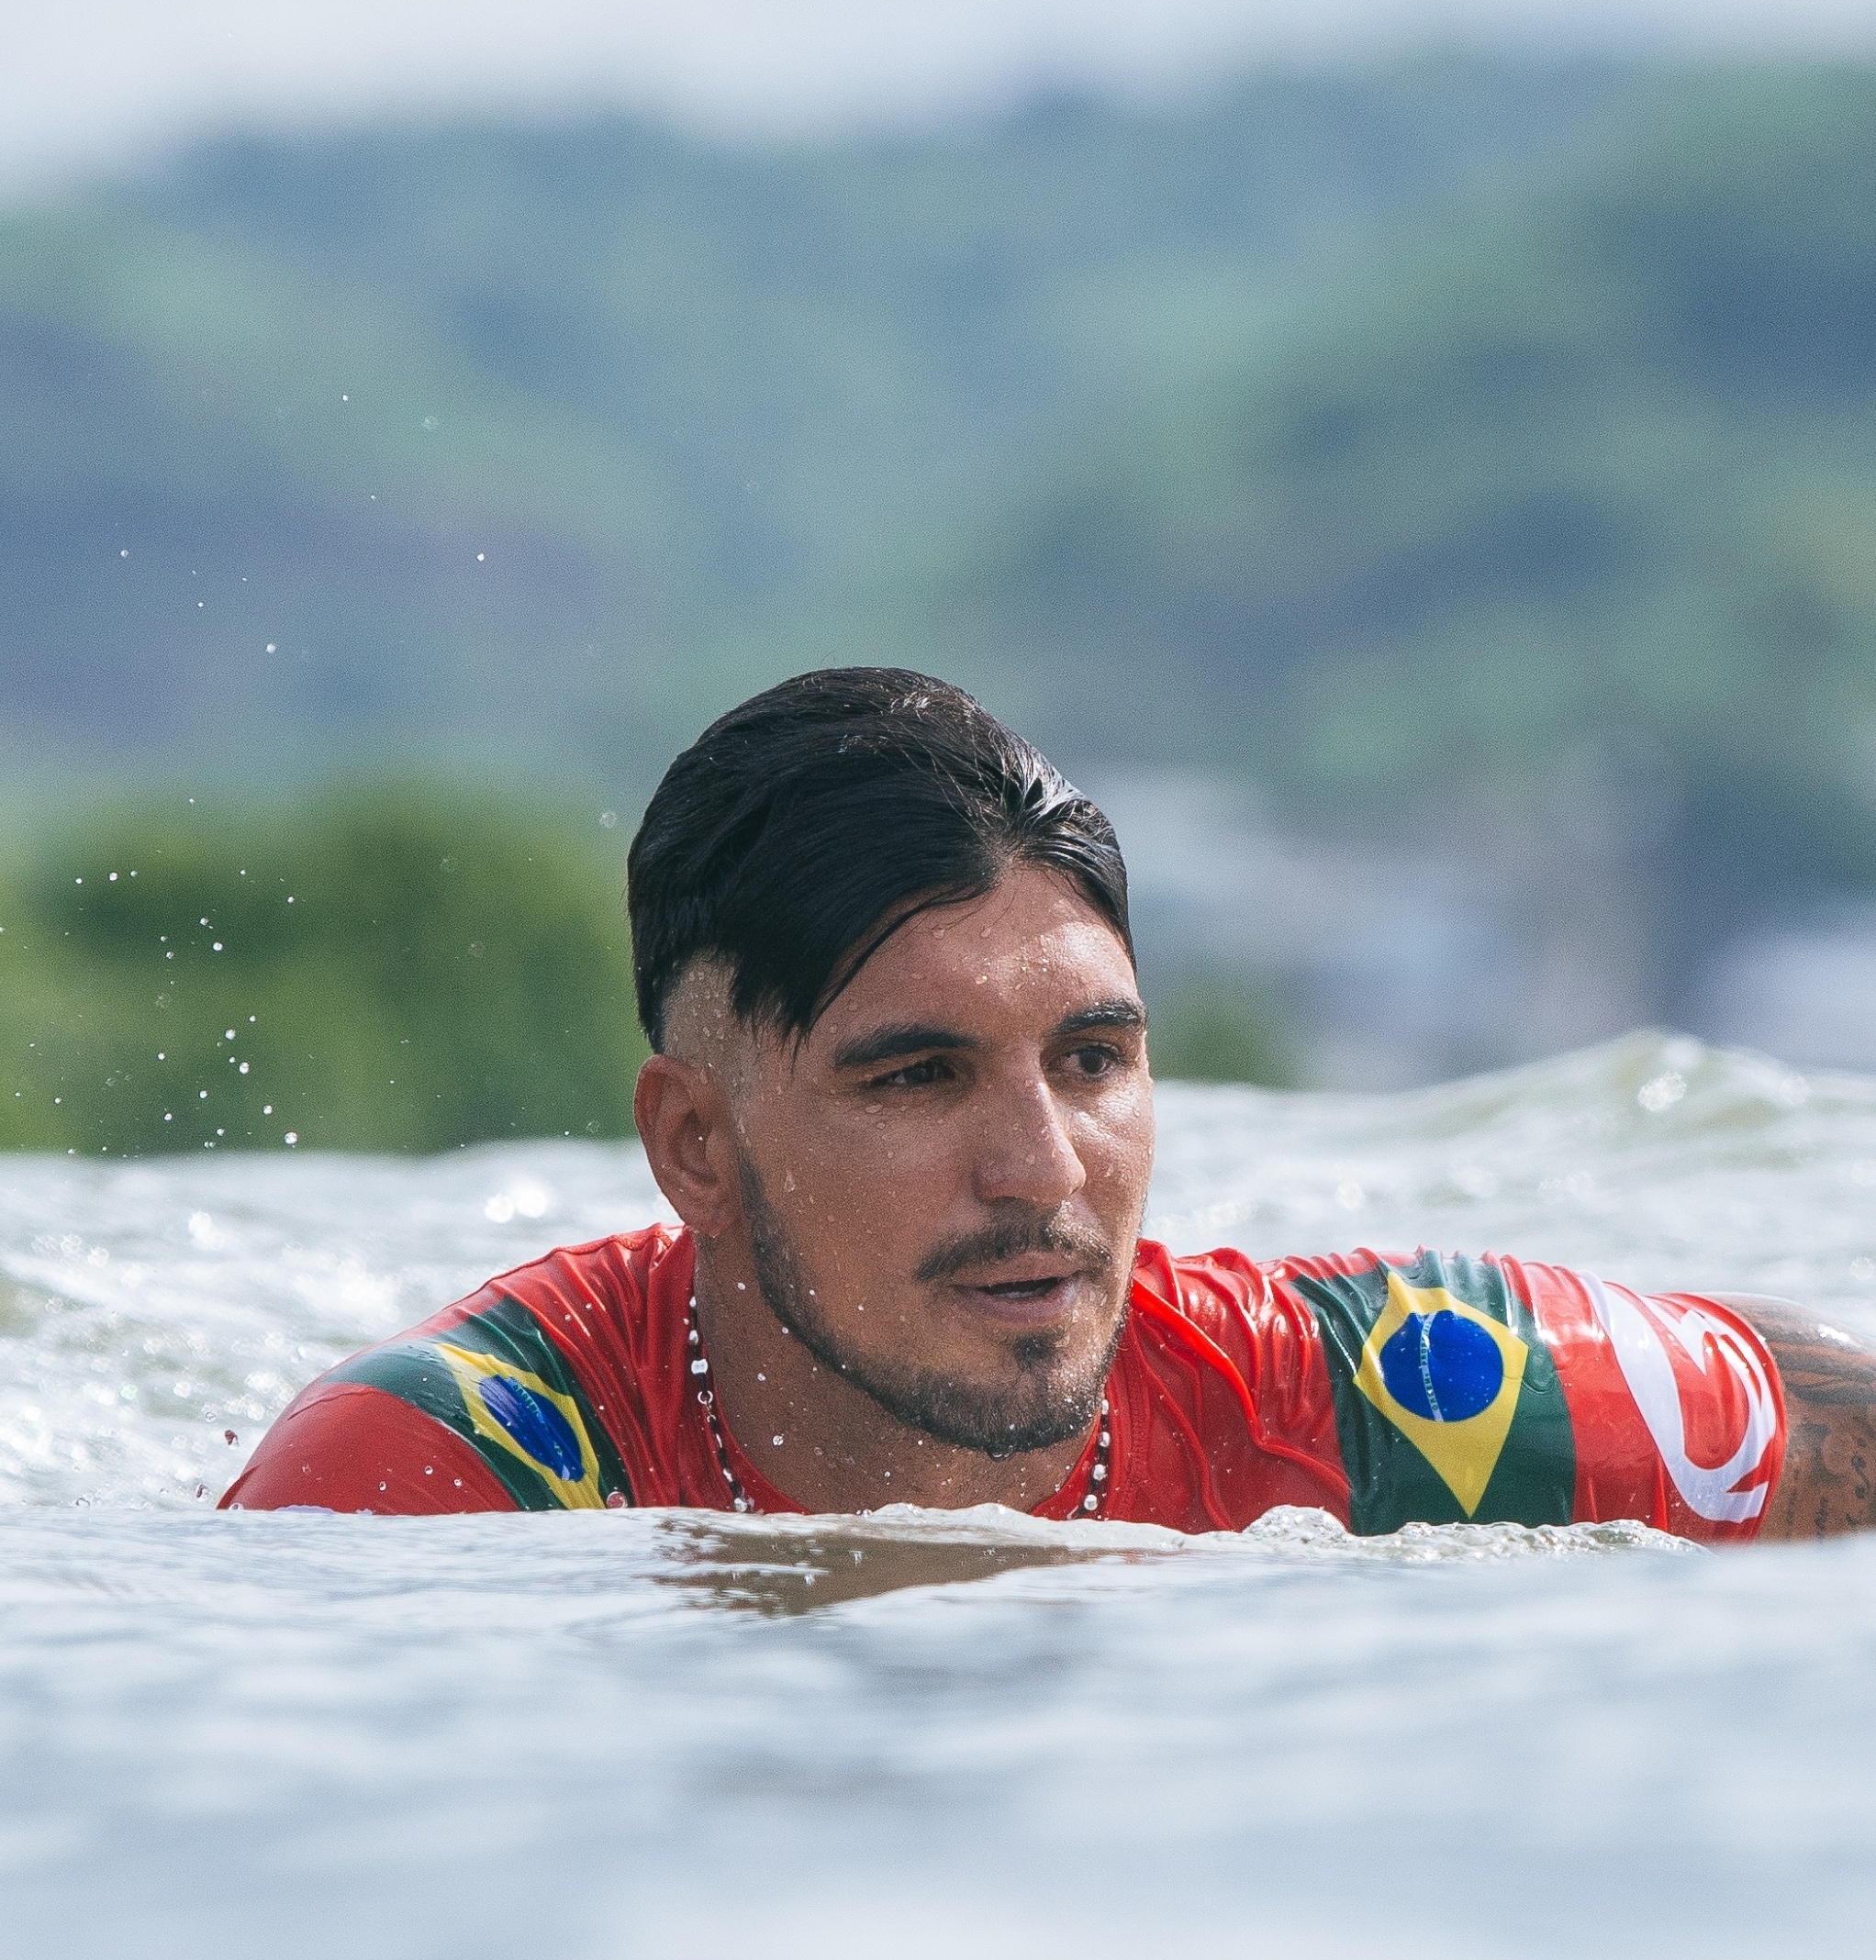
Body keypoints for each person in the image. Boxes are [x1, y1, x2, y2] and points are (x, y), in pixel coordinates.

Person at [223, 667, 1876, 1542]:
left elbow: (1809, 1425)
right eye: (919, 1074)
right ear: (697, 1148)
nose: (1043, 1168)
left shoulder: (1392, 1405)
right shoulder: (432, 1483)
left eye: (1093, 1061)